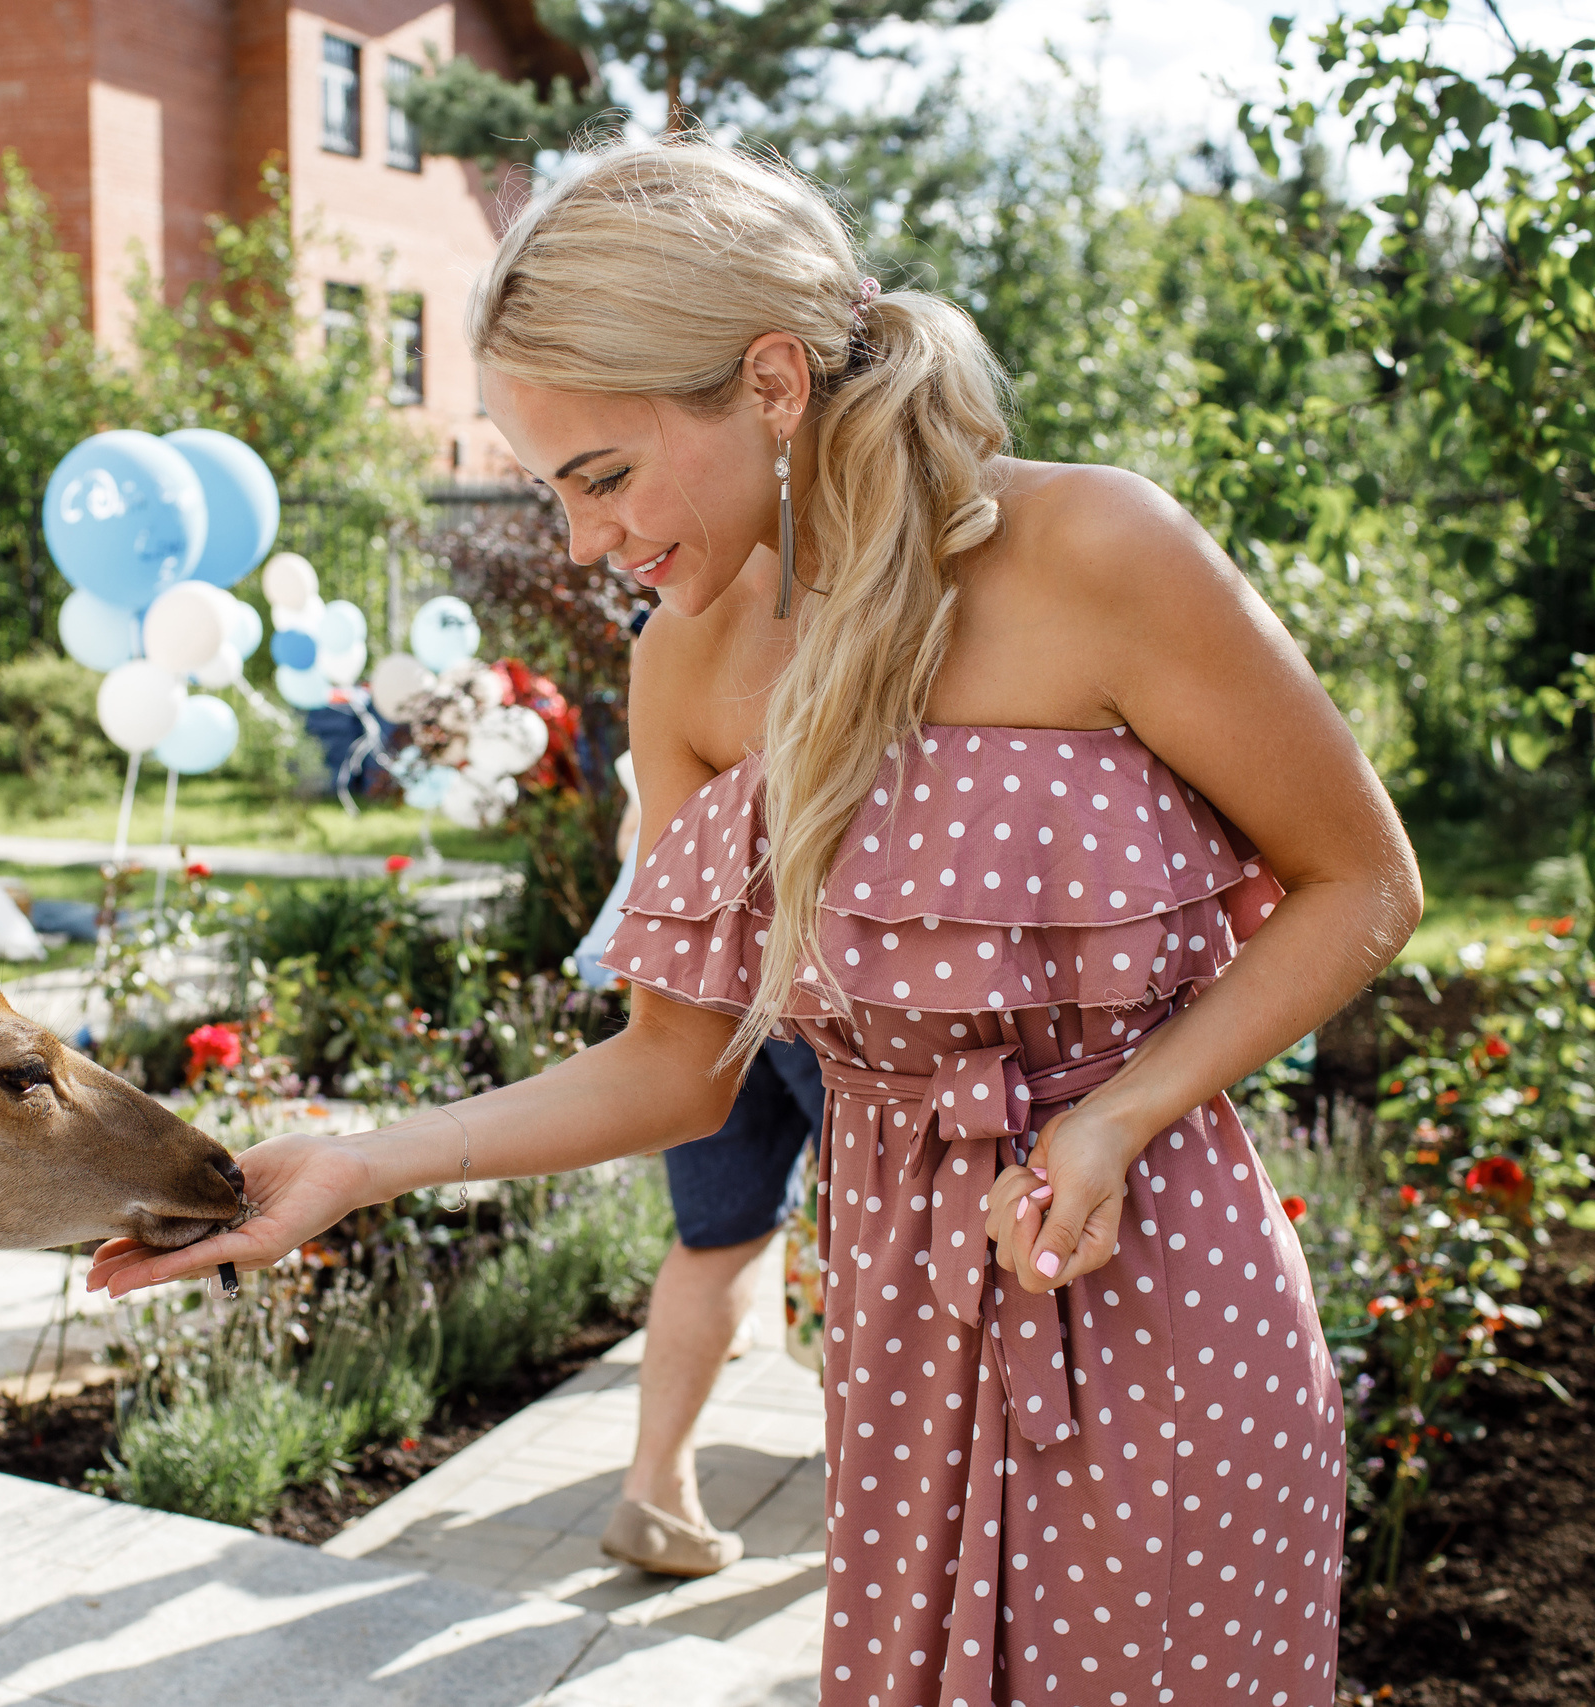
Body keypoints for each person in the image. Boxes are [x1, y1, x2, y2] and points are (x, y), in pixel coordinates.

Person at [91, 135, 1418, 1707]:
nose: (586, 541)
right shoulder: (688, 662)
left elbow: (1365, 884)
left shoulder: (1100, 552)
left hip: (1153, 1297)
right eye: (551, 489)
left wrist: (1122, 1112)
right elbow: (676, 1070)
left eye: (602, 475)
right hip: (904, 1327)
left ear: (773, 382)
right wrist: (361, 1160)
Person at [579, 737, 829, 1579]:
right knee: (890, 1219)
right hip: (836, 953)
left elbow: (638, 830)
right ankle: (895, 1496)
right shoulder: (853, 607)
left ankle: (655, 1487)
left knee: (717, 1232)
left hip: (700, 960)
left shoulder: (683, 623)